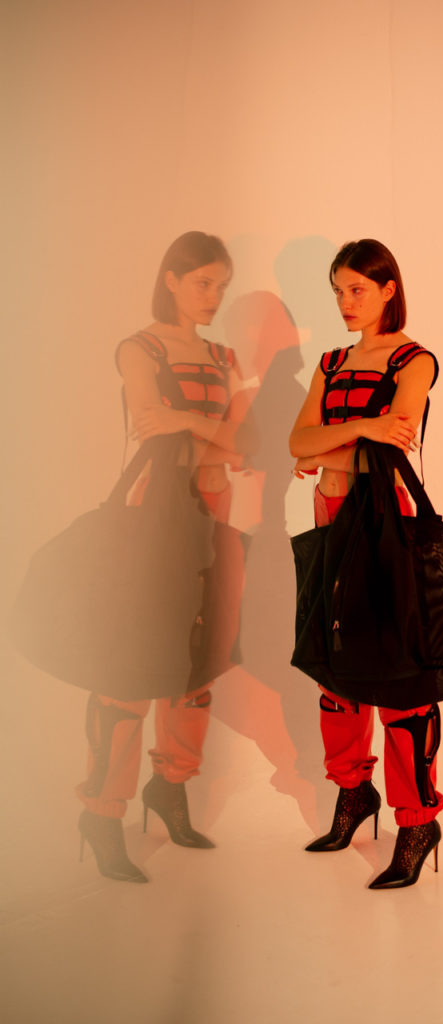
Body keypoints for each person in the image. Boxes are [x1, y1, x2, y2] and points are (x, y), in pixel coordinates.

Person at [77, 231, 243, 883]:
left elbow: (248, 444)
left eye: (221, 286)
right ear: (170, 279)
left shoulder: (224, 356)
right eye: (202, 282)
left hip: (214, 512)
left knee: (197, 661)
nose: (212, 296)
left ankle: (169, 787)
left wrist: (190, 422)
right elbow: (150, 419)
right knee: (132, 664)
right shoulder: (138, 348)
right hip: (154, 512)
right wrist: (210, 431)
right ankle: (101, 811)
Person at [289, 238, 443, 889]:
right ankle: (353, 792)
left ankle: (417, 821)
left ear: (388, 289)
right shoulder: (331, 363)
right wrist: (359, 431)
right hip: (329, 522)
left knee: (398, 676)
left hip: (385, 523)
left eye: (357, 289)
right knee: (336, 670)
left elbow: (392, 445)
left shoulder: (415, 360)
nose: (345, 302)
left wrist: (323, 449)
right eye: (337, 290)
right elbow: (296, 440)